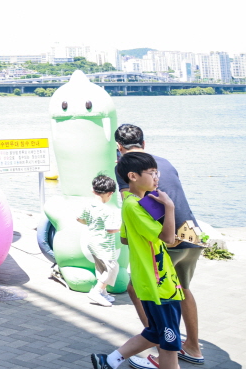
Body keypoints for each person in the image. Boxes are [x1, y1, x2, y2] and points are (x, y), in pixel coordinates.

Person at [114, 124, 204, 364]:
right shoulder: (162, 162)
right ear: (144, 144)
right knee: (182, 289)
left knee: (138, 289)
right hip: (191, 233)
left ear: (119, 147)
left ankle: (161, 347)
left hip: (167, 236)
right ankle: (193, 348)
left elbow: (133, 204)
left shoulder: (126, 167)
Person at [91, 152, 183, 369]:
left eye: (156, 173)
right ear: (133, 176)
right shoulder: (136, 206)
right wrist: (169, 207)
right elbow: (168, 238)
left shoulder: (130, 203)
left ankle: (109, 361)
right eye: (151, 173)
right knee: (169, 341)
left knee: (156, 333)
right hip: (159, 284)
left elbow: (125, 238)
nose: (156, 178)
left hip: (153, 281)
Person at [77, 174, 121, 307]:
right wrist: (123, 227)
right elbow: (111, 229)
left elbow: (79, 219)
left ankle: (103, 292)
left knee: (101, 268)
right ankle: (96, 291)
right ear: (110, 193)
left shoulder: (88, 205)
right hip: (104, 244)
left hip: (91, 241)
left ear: (93, 190)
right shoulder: (107, 210)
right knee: (112, 268)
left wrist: (92, 223)